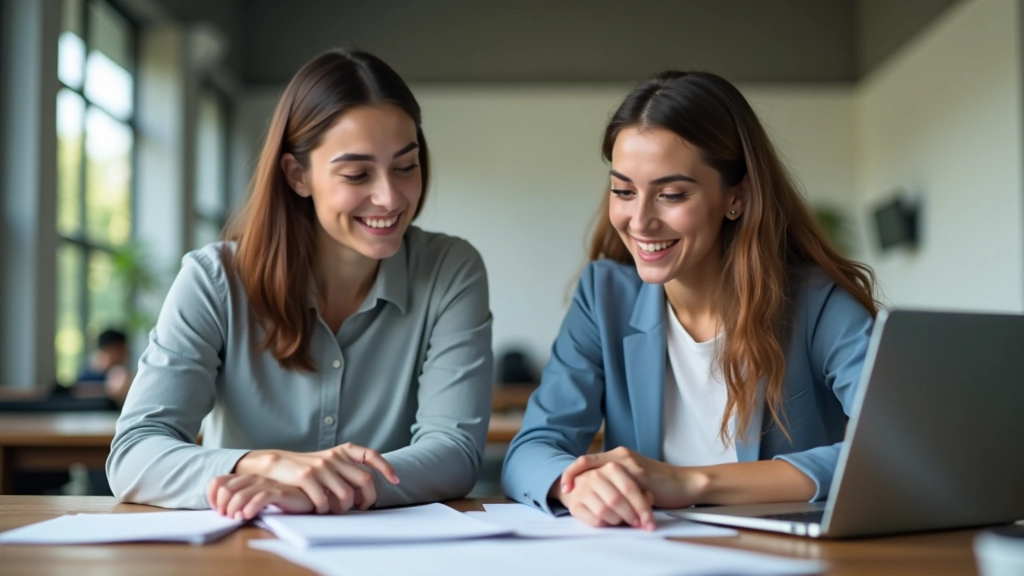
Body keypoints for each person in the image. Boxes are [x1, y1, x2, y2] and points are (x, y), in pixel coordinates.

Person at [107, 49, 493, 520]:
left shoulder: (451, 270)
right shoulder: (214, 279)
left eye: (406, 166)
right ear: (297, 175)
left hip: (389, 547)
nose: (390, 197)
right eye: (357, 174)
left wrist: (323, 490)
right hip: (240, 544)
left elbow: (455, 451)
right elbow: (134, 453)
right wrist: (265, 466)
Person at [502, 71, 877, 530]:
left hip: (782, 554)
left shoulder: (817, 303)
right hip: (650, 551)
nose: (640, 221)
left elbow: (895, 450)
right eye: (623, 191)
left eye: (671, 194)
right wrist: (573, 484)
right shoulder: (604, 297)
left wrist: (692, 482)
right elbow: (531, 450)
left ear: (736, 197)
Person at [74, 328, 133, 406]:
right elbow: (76, 392)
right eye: (122, 349)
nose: (126, 354)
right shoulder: (87, 373)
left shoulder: (119, 373)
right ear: (109, 349)